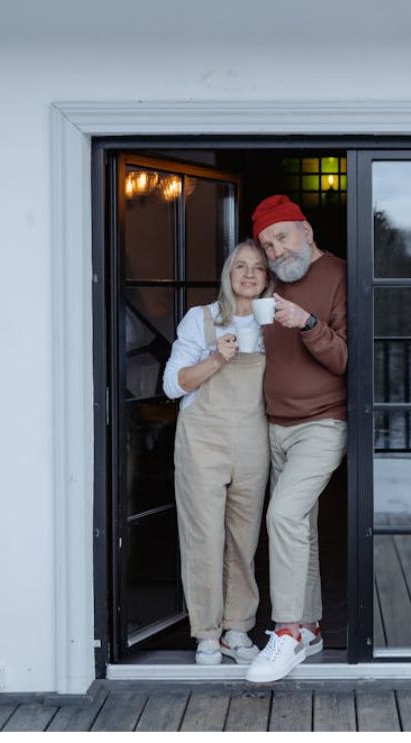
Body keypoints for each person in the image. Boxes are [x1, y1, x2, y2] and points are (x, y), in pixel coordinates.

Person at [244, 195, 348, 683]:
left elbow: (351, 360)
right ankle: (309, 627)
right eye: (267, 244)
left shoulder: (341, 275)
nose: (276, 250)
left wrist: (306, 324)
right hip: (272, 424)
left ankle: (284, 633)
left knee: (283, 515)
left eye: (282, 236)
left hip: (323, 422)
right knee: (298, 524)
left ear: (305, 230)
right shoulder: (269, 285)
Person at [162, 239, 271, 665]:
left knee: (243, 539)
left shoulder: (271, 324)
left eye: (258, 268)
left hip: (252, 438)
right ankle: (206, 632)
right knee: (203, 536)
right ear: (228, 274)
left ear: (266, 280)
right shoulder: (200, 320)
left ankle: (237, 630)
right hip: (203, 439)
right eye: (240, 266)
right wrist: (215, 358)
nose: (248, 274)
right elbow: (172, 384)